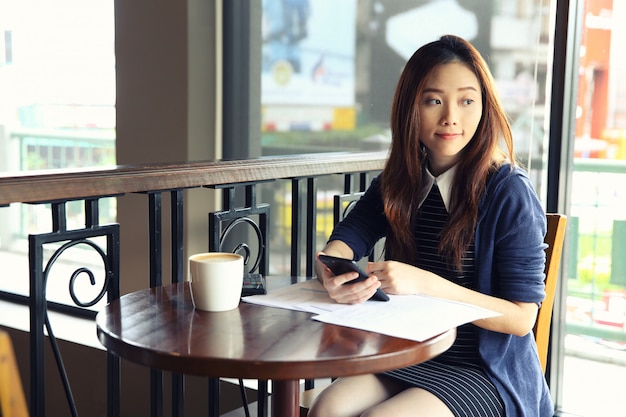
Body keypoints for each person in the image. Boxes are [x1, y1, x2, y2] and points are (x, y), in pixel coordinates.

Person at [308, 35, 553, 417]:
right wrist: (332, 276)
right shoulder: (400, 181)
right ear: (411, 108)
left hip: (484, 371)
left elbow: (522, 319)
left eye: (467, 100)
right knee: (328, 408)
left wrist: (424, 284)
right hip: (411, 350)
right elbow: (344, 241)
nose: (451, 116)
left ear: (484, 107)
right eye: (433, 100)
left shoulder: (509, 191)